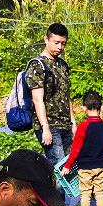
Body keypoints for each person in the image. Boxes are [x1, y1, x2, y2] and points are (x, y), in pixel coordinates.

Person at [27, 22, 77, 167]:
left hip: (65, 124)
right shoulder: (37, 65)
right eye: (56, 43)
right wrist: (45, 128)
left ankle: (55, 190)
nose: (60, 47)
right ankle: (55, 191)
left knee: (70, 167)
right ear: (46, 39)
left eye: (63, 43)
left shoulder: (63, 65)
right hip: (50, 125)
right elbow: (37, 100)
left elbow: (67, 97)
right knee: (60, 167)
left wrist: (73, 124)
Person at [62, 90, 103, 206]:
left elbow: (76, 149)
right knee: (100, 192)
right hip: (100, 165)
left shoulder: (82, 127)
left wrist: (67, 166)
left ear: (84, 108)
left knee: (85, 193)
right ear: (101, 107)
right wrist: (102, 155)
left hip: (85, 166)